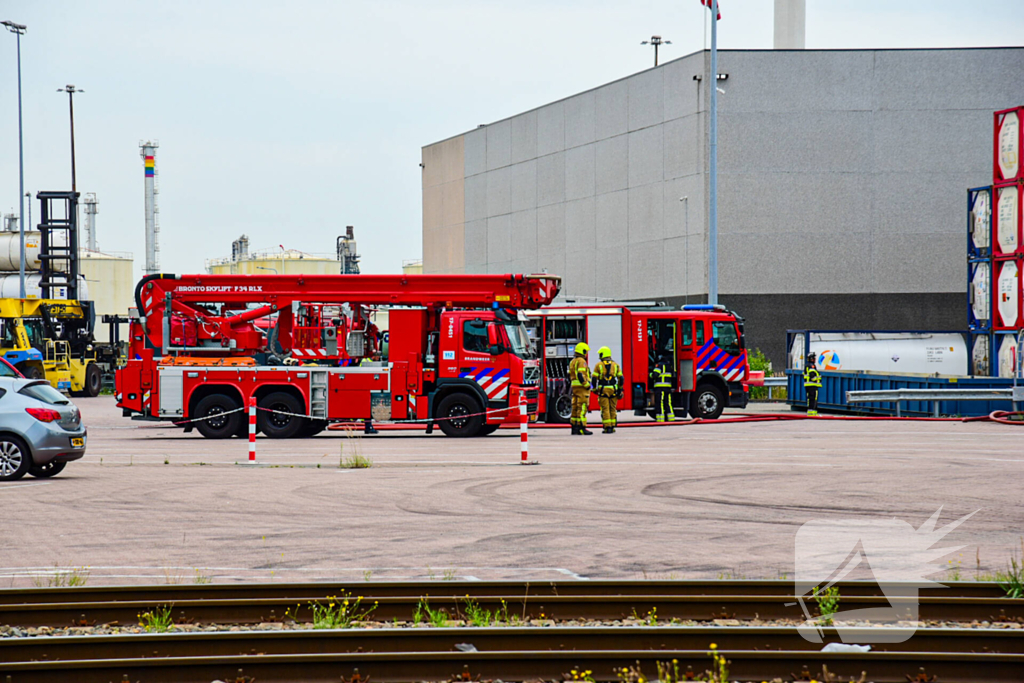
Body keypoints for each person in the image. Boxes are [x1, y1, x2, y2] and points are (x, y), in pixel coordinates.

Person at [591, 346, 623, 434]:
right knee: (613, 408)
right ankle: (612, 426)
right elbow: (621, 378)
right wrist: (620, 389)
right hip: (613, 389)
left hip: (603, 390)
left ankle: (607, 427)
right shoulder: (616, 365)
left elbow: (594, 379)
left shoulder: (599, 365)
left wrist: (594, 388)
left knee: (605, 409)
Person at [568, 342, 593, 435]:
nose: (586, 353)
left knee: (575, 407)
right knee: (582, 407)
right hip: (582, 388)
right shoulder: (582, 361)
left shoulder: (572, 361)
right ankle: (582, 428)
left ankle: (574, 428)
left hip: (574, 387)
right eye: (585, 351)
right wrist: (586, 385)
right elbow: (580, 374)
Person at [359, 354, 380, 434]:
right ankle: (368, 427)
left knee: (368, 409)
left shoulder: (368, 361)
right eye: (377, 356)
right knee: (367, 409)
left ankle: (368, 427)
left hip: (368, 387)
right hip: (366, 387)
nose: (378, 358)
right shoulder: (367, 361)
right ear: (374, 356)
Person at [651, 355, 675, 422]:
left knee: (659, 403)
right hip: (668, 387)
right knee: (668, 403)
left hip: (660, 388)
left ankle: (660, 419)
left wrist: (650, 375)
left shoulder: (659, 365)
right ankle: (671, 418)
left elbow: (655, 375)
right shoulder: (669, 366)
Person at [804, 352, 821, 417]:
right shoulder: (811, 366)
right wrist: (817, 379)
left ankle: (810, 411)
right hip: (812, 385)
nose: (815, 359)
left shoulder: (807, 366)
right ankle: (813, 412)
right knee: (813, 398)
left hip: (808, 385)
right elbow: (812, 376)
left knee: (810, 398)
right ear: (811, 359)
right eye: (814, 358)